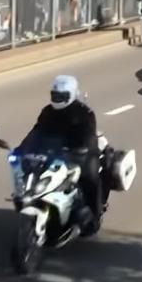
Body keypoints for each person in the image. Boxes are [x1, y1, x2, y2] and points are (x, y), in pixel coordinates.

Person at [25, 75, 103, 232]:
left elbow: (88, 136)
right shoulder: (48, 111)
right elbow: (36, 131)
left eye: (61, 96)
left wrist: (83, 149)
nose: (57, 99)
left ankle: (95, 215)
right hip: (55, 153)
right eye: (55, 95)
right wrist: (22, 148)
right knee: (31, 172)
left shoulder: (85, 113)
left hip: (82, 153)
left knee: (90, 178)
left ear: (72, 95)